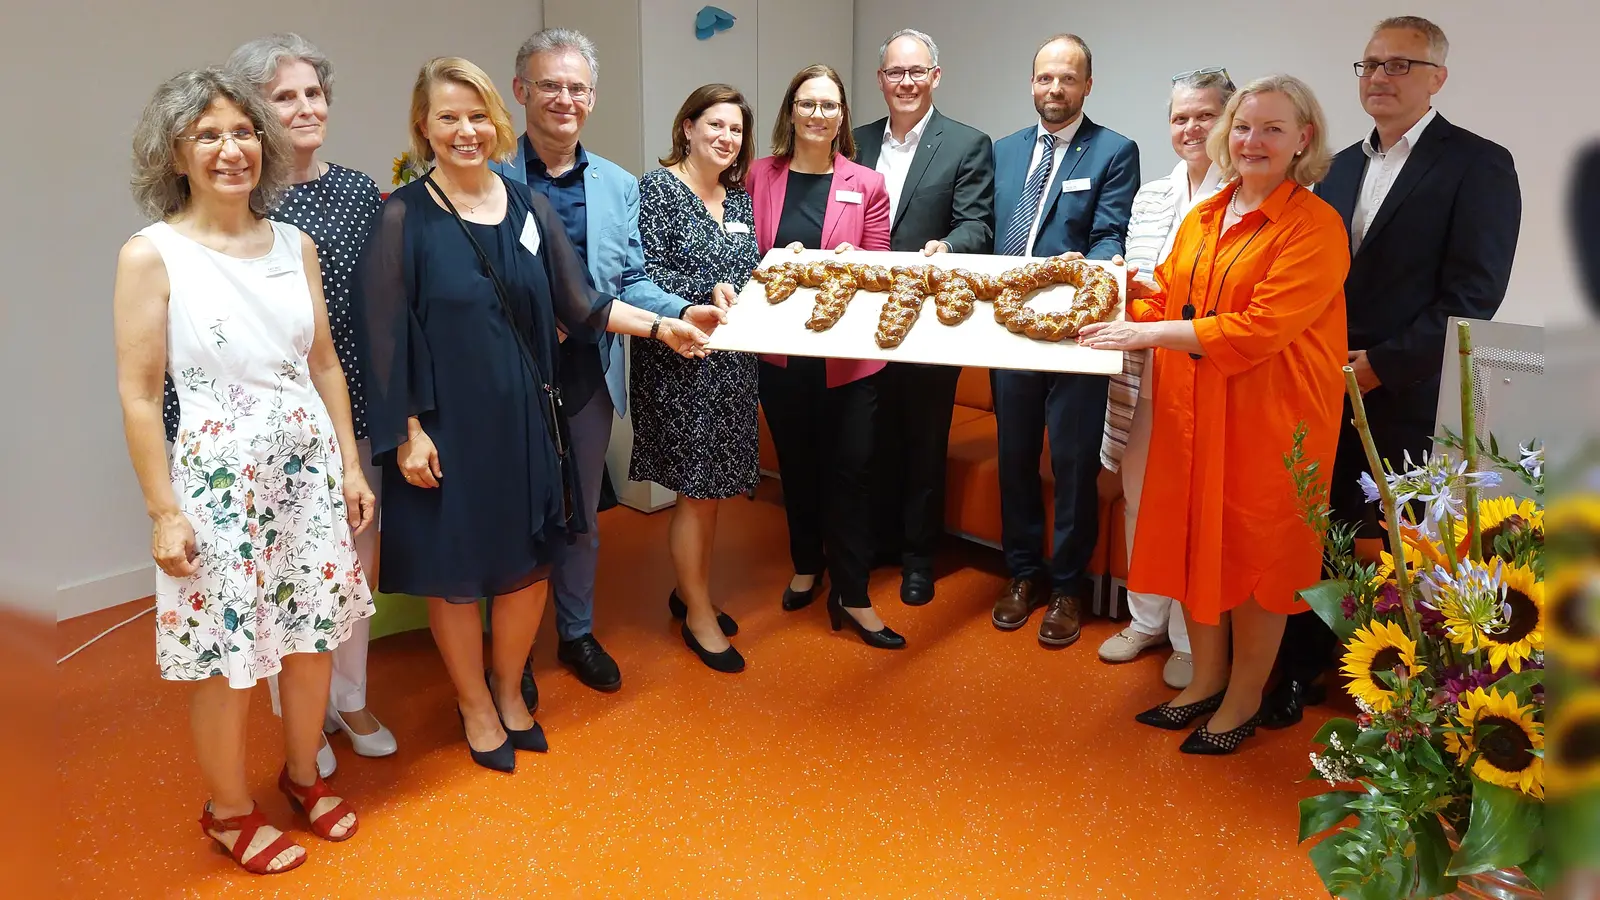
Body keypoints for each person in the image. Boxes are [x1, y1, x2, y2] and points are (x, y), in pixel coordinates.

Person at [356, 58, 709, 773]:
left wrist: (665, 326)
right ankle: (474, 703)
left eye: (477, 115)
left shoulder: (528, 208)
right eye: (448, 116)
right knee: (458, 574)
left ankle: (506, 687)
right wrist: (408, 433)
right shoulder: (403, 215)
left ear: (498, 121)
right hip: (447, 428)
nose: (465, 130)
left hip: (526, 420)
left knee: (527, 567)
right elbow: (382, 337)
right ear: (423, 126)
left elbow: (581, 305)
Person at [115, 67, 371, 874]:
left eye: (242, 131)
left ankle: (302, 776)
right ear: (176, 155)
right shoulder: (151, 255)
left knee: (312, 640)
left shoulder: (295, 244)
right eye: (208, 136)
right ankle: (227, 811)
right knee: (230, 657)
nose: (232, 149)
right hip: (219, 480)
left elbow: (324, 362)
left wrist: (351, 467)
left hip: (305, 467)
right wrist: (164, 511)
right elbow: (138, 390)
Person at [1079, 74, 1349, 755]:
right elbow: (1165, 294)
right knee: (1200, 544)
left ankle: (1243, 699)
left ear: (1303, 141)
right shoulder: (1206, 214)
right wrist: (1102, 291)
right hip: (1193, 412)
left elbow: (1257, 328)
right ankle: (1204, 681)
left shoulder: (1313, 225)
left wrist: (1144, 334)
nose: (1252, 140)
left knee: (1256, 561)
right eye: (1244, 126)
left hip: (1269, 424)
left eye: (1272, 129)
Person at [1266, 16, 1523, 728]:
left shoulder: (1478, 164)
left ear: (1438, 77)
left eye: (1398, 66)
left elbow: (1474, 295)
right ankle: (1298, 669)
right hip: (1317, 380)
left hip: (1406, 391)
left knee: (1398, 541)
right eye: (1368, 65)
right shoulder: (1335, 166)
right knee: (1315, 531)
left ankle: (1405, 695)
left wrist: (1380, 365)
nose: (1378, 77)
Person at [491, 29, 727, 696]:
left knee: (580, 515)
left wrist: (680, 310)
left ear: (591, 98)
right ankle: (509, 653)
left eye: (576, 87)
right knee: (514, 512)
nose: (564, 98)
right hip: (507, 376)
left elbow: (629, 281)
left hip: (588, 370)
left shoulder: (618, 185)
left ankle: (574, 632)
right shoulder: (487, 178)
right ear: (521, 92)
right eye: (549, 85)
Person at [191, 32, 392, 778]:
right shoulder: (242, 194)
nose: (304, 107)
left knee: (352, 564)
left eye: (313, 93)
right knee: (284, 571)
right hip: (264, 415)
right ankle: (298, 720)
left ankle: (350, 694)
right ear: (254, 113)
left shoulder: (357, 190)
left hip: (350, 405)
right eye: (284, 96)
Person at [988, 33, 1138, 649]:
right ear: (1031, 83)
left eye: (1068, 79)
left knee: (1074, 464)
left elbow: (1112, 233)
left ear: (1088, 85)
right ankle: (1023, 574)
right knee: (1015, 458)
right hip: (1004, 332)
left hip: (1077, 333)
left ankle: (1068, 585)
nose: (1055, 89)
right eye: (1045, 78)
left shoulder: (1114, 150)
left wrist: (1091, 264)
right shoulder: (1002, 151)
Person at [749, 64, 903, 648]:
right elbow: (745, 255)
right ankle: (807, 566)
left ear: (842, 116)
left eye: (829, 106)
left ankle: (855, 593)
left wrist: (851, 262)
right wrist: (778, 258)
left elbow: (882, 265)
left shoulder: (867, 183)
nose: (818, 115)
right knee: (798, 467)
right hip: (784, 357)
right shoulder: (760, 176)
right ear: (791, 111)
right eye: (807, 104)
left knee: (853, 470)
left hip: (850, 360)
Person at [1095, 67, 1235, 688]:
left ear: (1229, 120)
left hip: (1209, 380)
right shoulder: (1152, 195)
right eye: (1180, 117)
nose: (1191, 128)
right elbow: (1139, 284)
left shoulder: (1247, 195)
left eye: (1204, 115)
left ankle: (1187, 637)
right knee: (1140, 496)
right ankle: (1145, 618)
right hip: (1143, 374)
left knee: (1198, 510)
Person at [852, 29, 995, 607]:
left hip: (931, 322)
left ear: (935, 76)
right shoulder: (853, 142)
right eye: (894, 73)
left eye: (916, 72)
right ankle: (878, 543)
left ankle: (918, 557)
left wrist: (949, 247)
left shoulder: (966, 143)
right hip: (860, 319)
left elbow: (978, 225)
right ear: (880, 79)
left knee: (923, 441)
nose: (904, 83)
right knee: (868, 439)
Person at [632, 84, 761, 673]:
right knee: (695, 491)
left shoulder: (737, 198)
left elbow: (747, 270)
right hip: (682, 361)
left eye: (735, 130)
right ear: (687, 127)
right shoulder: (657, 189)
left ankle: (691, 592)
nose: (725, 138)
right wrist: (695, 298)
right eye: (714, 124)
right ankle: (700, 615)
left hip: (732, 364)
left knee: (712, 496)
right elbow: (643, 272)